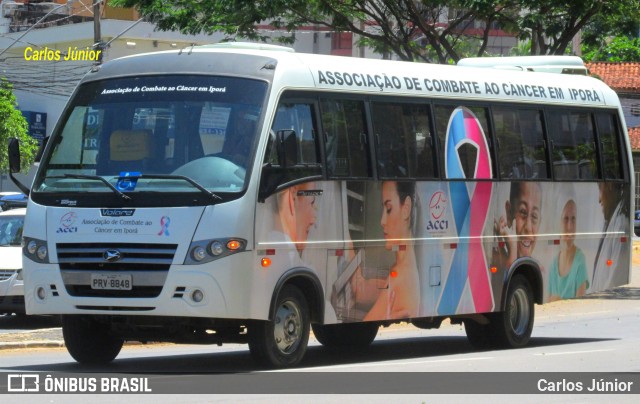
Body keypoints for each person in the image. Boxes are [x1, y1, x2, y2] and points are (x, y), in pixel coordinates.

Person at [358, 181, 420, 321]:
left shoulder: (399, 277)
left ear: (406, 209)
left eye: (389, 209)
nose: (382, 221)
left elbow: (366, 322)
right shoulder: (404, 268)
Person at [493, 182, 542, 270]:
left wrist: (513, 251)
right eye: (523, 212)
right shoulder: (496, 255)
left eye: (534, 216)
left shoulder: (541, 270)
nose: (528, 227)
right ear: (509, 212)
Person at [591, 183, 629, 292]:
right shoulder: (610, 222)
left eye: (600, 188)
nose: (599, 199)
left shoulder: (621, 223)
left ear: (610, 186)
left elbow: (615, 275)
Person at [548, 199, 588, 301]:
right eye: (566, 219)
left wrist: (557, 301)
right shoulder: (553, 265)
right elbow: (547, 302)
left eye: (573, 219)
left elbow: (581, 302)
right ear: (559, 223)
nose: (570, 227)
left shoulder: (580, 260)